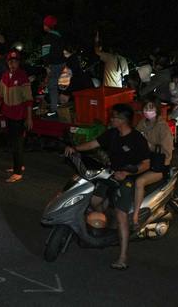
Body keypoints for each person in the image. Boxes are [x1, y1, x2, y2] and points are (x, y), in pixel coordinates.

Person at [64, 104, 150, 270]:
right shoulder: (112, 134)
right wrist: (74, 148)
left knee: (121, 215)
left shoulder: (137, 139)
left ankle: (123, 256)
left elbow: (146, 164)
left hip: (127, 178)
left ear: (123, 120)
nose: (111, 119)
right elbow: (93, 144)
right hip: (109, 173)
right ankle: (106, 216)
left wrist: (126, 173)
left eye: (114, 117)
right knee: (93, 200)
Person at [0, 50, 33, 183]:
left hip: (19, 116)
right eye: (10, 61)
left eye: (15, 61)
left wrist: (29, 118)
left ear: (18, 62)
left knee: (17, 144)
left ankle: (17, 173)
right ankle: (18, 166)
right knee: (13, 142)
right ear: (7, 63)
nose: (12, 64)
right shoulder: (5, 76)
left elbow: (28, 100)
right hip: (8, 114)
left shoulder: (22, 76)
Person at [132, 101, 174, 227]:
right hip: (143, 161)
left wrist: (150, 146)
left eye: (151, 108)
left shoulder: (162, 126)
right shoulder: (142, 123)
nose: (148, 110)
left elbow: (167, 152)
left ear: (156, 110)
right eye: (145, 108)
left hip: (159, 165)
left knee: (139, 182)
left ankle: (135, 216)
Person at [41, 15, 64, 117]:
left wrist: (47, 67)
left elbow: (45, 54)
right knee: (62, 87)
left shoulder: (48, 38)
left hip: (54, 65)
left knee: (53, 88)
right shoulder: (60, 36)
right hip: (63, 64)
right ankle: (63, 108)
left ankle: (54, 110)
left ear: (47, 26)